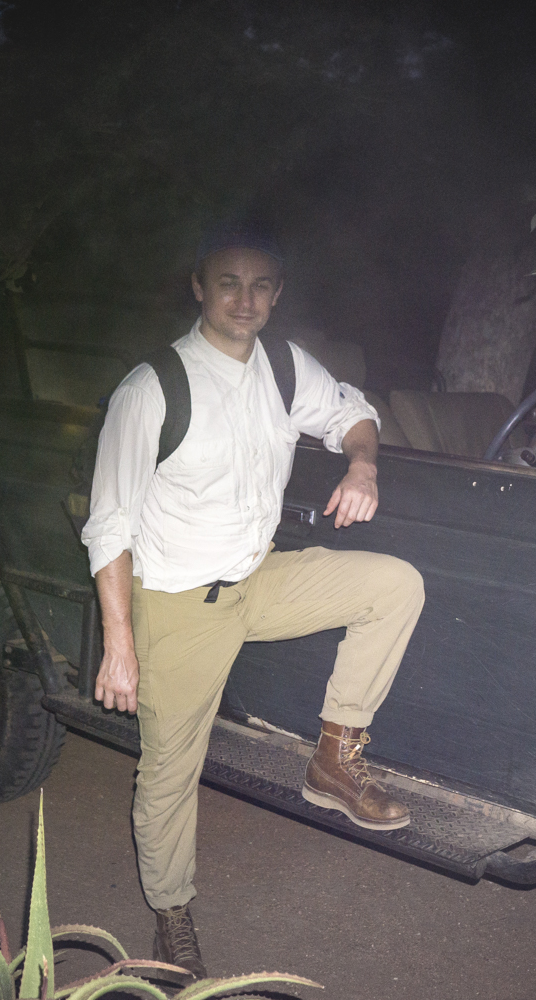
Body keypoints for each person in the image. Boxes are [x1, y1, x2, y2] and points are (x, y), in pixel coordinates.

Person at [79, 222, 425, 980]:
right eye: (229, 283)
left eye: (261, 285)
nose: (246, 299)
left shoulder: (284, 365)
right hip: (179, 602)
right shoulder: (152, 389)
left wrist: (362, 466)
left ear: (277, 293)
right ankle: (171, 912)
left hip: (256, 577)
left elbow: (352, 413)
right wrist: (119, 646)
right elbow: (109, 526)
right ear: (199, 287)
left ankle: (334, 760)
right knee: (170, 772)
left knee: (395, 584)